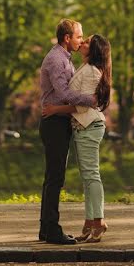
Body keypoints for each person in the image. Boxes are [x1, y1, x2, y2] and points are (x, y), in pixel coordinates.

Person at [43, 34, 112, 243]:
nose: (82, 43)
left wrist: (56, 109)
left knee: (92, 176)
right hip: (83, 127)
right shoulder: (85, 66)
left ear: (95, 49)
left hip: (89, 126)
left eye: (88, 42)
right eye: (83, 39)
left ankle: (98, 221)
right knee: (87, 177)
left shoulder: (91, 71)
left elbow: (83, 105)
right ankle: (90, 222)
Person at [38, 18, 97, 244]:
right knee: (55, 179)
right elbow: (64, 93)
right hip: (54, 124)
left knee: (52, 178)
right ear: (67, 38)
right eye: (79, 36)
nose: (81, 40)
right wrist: (91, 100)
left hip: (58, 122)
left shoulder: (65, 59)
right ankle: (52, 231)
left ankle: (46, 229)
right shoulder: (56, 60)